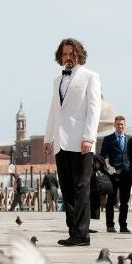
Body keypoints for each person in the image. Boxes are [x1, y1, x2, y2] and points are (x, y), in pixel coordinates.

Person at [44, 38, 101, 247]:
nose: (68, 58)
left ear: (79, 54)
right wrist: (48, 137)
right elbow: (53, 111)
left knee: (81, 188)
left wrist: (89, 138)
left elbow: (94, 110)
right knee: (67, 189)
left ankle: (82, 234)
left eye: (71, 54)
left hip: (81, 142)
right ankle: (73, 231)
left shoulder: (90, 77)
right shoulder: (56, 81)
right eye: (64, 54)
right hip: (60, 143)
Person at [99, 115, 132, 233]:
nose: (120, 126)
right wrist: (107, 169)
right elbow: (102, 157)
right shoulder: (108, 139)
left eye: (122, 124)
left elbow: (131, 157)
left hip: (127, 174)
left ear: (125, 125)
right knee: (111, 201)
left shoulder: (130, 139)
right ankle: (110, 225)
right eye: (118, 124)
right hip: (113, 175)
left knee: (125, 201)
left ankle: (123, 225)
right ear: (115, 125)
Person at [89, 154, 111, 231]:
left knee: (91, 209)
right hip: (90, 192)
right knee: (88, 209)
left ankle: (86, 227)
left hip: (95, 193)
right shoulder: (90, 169)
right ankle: (85, 227)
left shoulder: (101, 171)